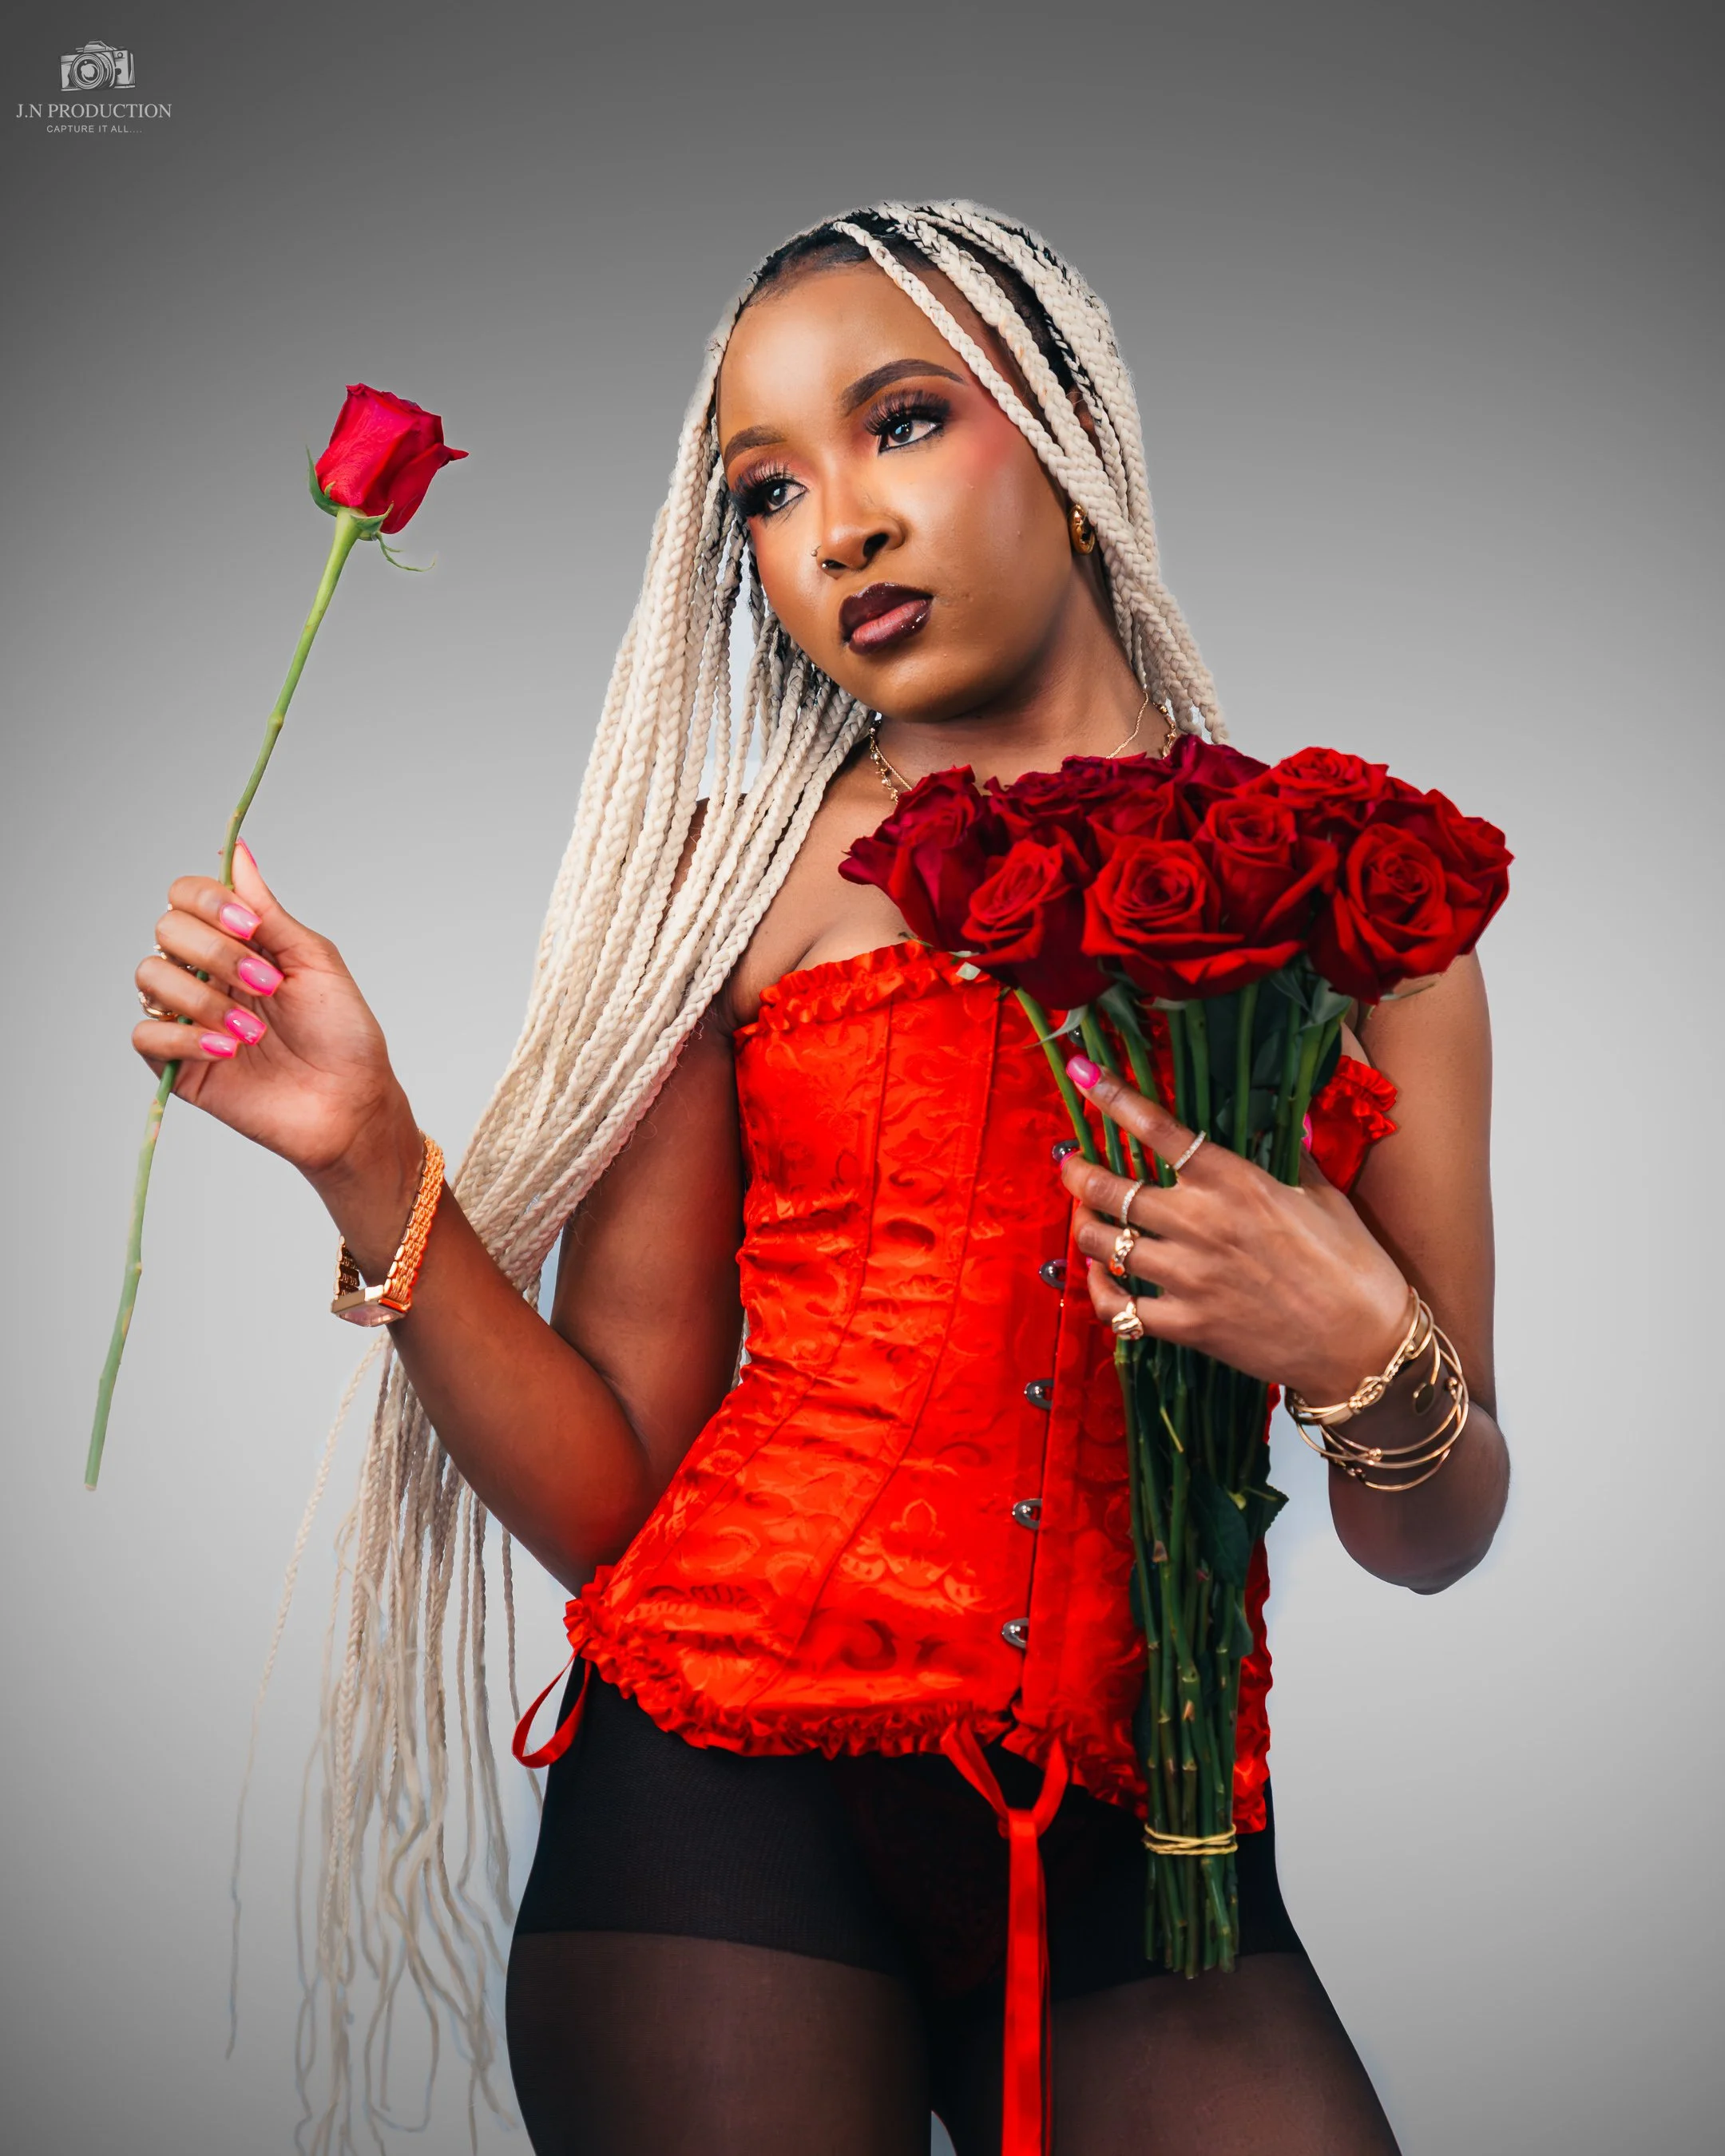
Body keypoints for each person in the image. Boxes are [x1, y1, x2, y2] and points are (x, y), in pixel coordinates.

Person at [129, 204, 1509, 2155]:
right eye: (766, 489)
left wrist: (1363, 1340)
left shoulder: (1371, 904)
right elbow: (621, 1491)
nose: (838, 525)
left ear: (1071, 437)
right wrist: (369, 1160)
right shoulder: (744, 891)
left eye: (904, 425)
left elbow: (1434, 1530)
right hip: (719, 1802)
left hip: (1165, 1833)